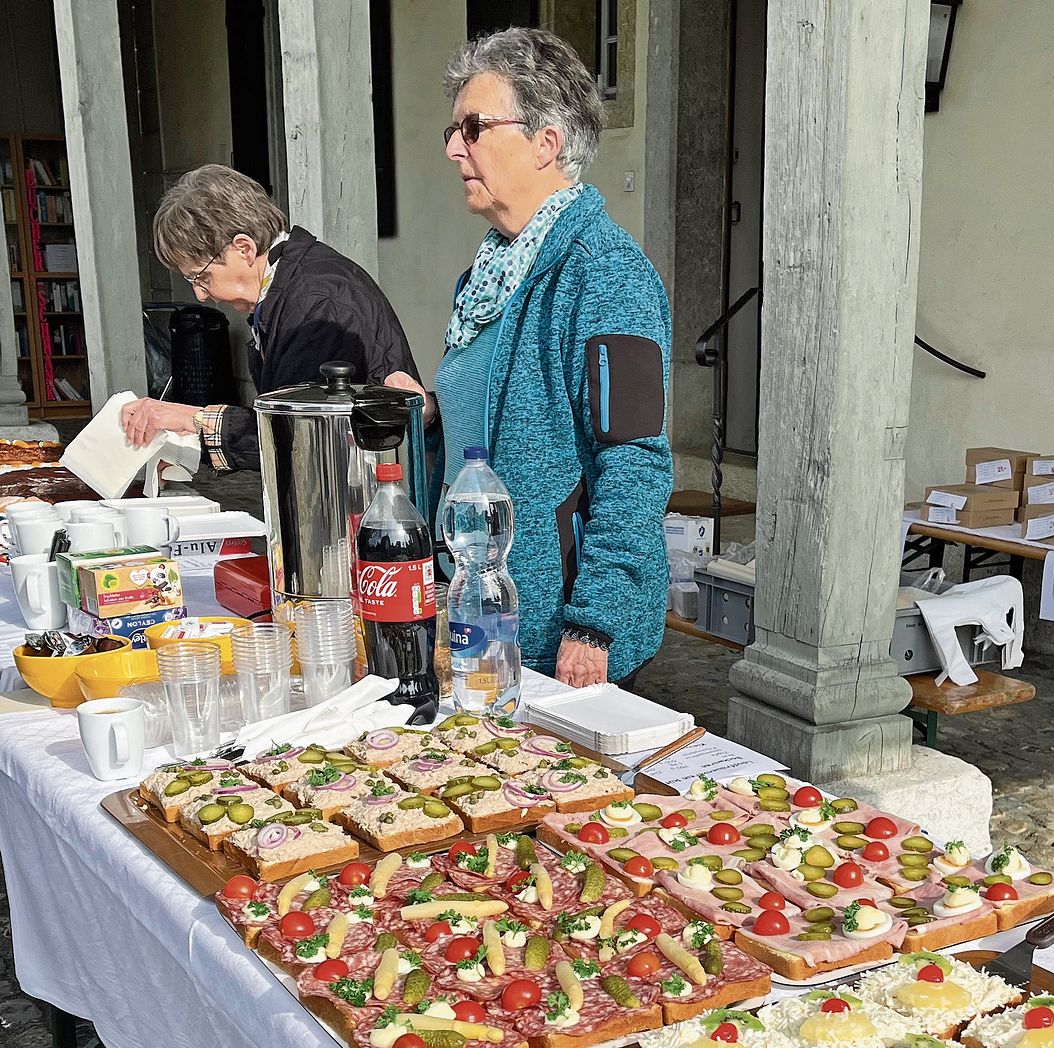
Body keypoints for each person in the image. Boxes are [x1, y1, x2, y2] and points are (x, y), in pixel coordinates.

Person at [386, 28, 673, 691]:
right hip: (479, 615)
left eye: (475, 126)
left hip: (559, 633)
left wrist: (595, 620)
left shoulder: (605, 272)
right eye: (454, 130)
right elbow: (492, 424)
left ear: (547, 142)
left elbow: (634, 459)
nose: (456, 147)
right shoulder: (487, 276)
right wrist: (429, 414)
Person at [121, 164, 420, 474]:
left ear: (244, 248)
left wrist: (190, 420)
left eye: (202, 277)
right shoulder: (292, 286)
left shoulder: (316, 302)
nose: (200, 294)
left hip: (362, 501)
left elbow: (300, 439)